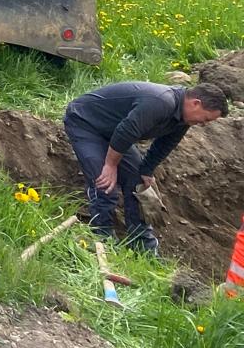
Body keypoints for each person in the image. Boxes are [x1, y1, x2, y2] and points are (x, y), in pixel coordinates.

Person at [62, 81, 228, 254]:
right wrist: (110, 165)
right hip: (86, 122)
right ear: (196, 103)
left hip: (114, 131)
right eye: (206, 119)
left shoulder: (183, 118)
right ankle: (102, 237)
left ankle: (142, 244)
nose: (203, 124)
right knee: (105, 183)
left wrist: (147, 170)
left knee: (137, 181)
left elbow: (166, 144)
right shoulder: (161, 102)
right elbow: (126, 131)